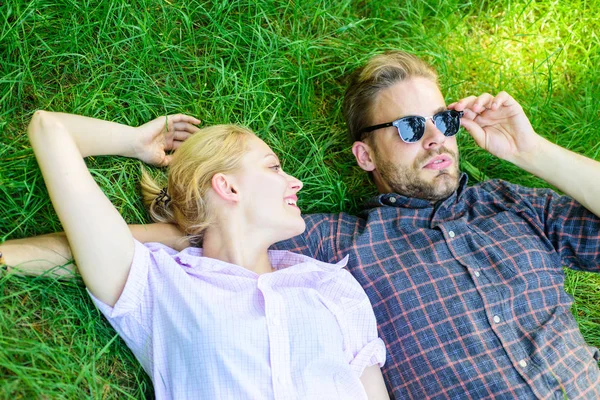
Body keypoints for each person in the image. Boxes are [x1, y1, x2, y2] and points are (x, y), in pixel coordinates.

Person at [3, 51, 600, 398]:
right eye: (412, 128)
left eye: (442, 118)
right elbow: (163, 243)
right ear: (365, 156)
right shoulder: (327, 247)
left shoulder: (515, 206)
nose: (439, 136)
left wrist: (532, 152)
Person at [13, 111, 388, 399]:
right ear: (227, 186)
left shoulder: (331, 285)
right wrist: (133, 142)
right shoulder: (159, 283)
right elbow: (48, 128)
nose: (296, 182)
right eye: (274, 167)